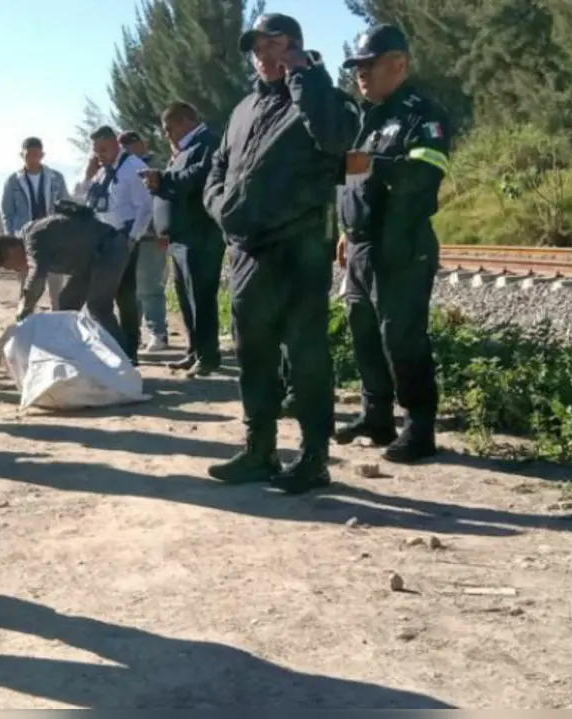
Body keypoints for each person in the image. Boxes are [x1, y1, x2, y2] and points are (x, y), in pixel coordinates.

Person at [202, 13, 355, 494]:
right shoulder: (244, 107)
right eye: (257, 48)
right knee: (253, 353)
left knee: (306, 355)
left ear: (295, 48)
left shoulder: (325, 100)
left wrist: (304, 78)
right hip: (247, 251)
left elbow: (336, 138)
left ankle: (314, 457)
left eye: (275, 46)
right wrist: (220, 208)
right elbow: (217, 169)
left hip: (299, 249)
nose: (264, 56)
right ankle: (259, 450)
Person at [331, 24, 450, 464]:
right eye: (357, 66)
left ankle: (419, 427)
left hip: (401, 243)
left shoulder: (424, 114)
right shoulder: (369, 118)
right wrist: (347, 230)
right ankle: (375, 415)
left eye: (369, 65)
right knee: (364, 332)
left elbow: (424, 174)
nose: (360, 73)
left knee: (401, 337)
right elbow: (351, 181)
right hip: (362, 245)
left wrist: (374, 164)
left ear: (398, 64)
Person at [141, 102, 223, 377]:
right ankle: (193, 350)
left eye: (170, 128)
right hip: (178, 237)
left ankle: (208, 355)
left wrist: (162, 179)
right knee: (185, 298)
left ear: (187, 120)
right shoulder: (182, 151)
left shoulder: (207, 144)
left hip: (200, 234)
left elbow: (196, 179)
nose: (167, 136)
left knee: (201, 296)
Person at [0, 201, 131, 351]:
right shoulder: (32, 235)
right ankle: (71, 351)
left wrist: (24, 310)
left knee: (98, 306)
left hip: (109, 249)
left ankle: (122, 355)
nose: (17, 270)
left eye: (13, 266)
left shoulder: (33, 238)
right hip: (89, 260)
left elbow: (37, 275)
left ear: (11, 252)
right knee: (67, 304)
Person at [74, 125, 152, 364]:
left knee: (125, 295)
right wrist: (88, 174)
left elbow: (145, 207)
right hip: (100, 241)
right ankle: (111, 345)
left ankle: (130, 348)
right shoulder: (99, 170)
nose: (100, 154)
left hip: (124, 238)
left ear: (116, 144)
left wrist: (132, 239)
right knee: (101, 296)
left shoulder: (133, 167)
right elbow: (78, 197)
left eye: (104, 149)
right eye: (96, 150)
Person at [0, 137, 69, 307]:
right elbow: (7, 212)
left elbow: (67, 206)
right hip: (26, 240)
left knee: (56, 290)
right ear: (22, 155)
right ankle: (25, 324)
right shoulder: (14, 181)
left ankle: (58, 326)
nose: (32, 159)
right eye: (28, 155)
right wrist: (12, 239)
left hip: (53, 240)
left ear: (42, 155)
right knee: (28, 288)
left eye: (36, 155)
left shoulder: (55, 178)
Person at [121, 130, 170, 354]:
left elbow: (165, 200)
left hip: (153, 236)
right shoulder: (121, 169)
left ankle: (158, 333)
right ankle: (134, 333)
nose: (129, 147)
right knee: (130, 289)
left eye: (133, 142)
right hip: (129, 236)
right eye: (124, 144)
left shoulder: (158, 165)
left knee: (150, 286)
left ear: (143, 143)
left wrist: (165, 231)